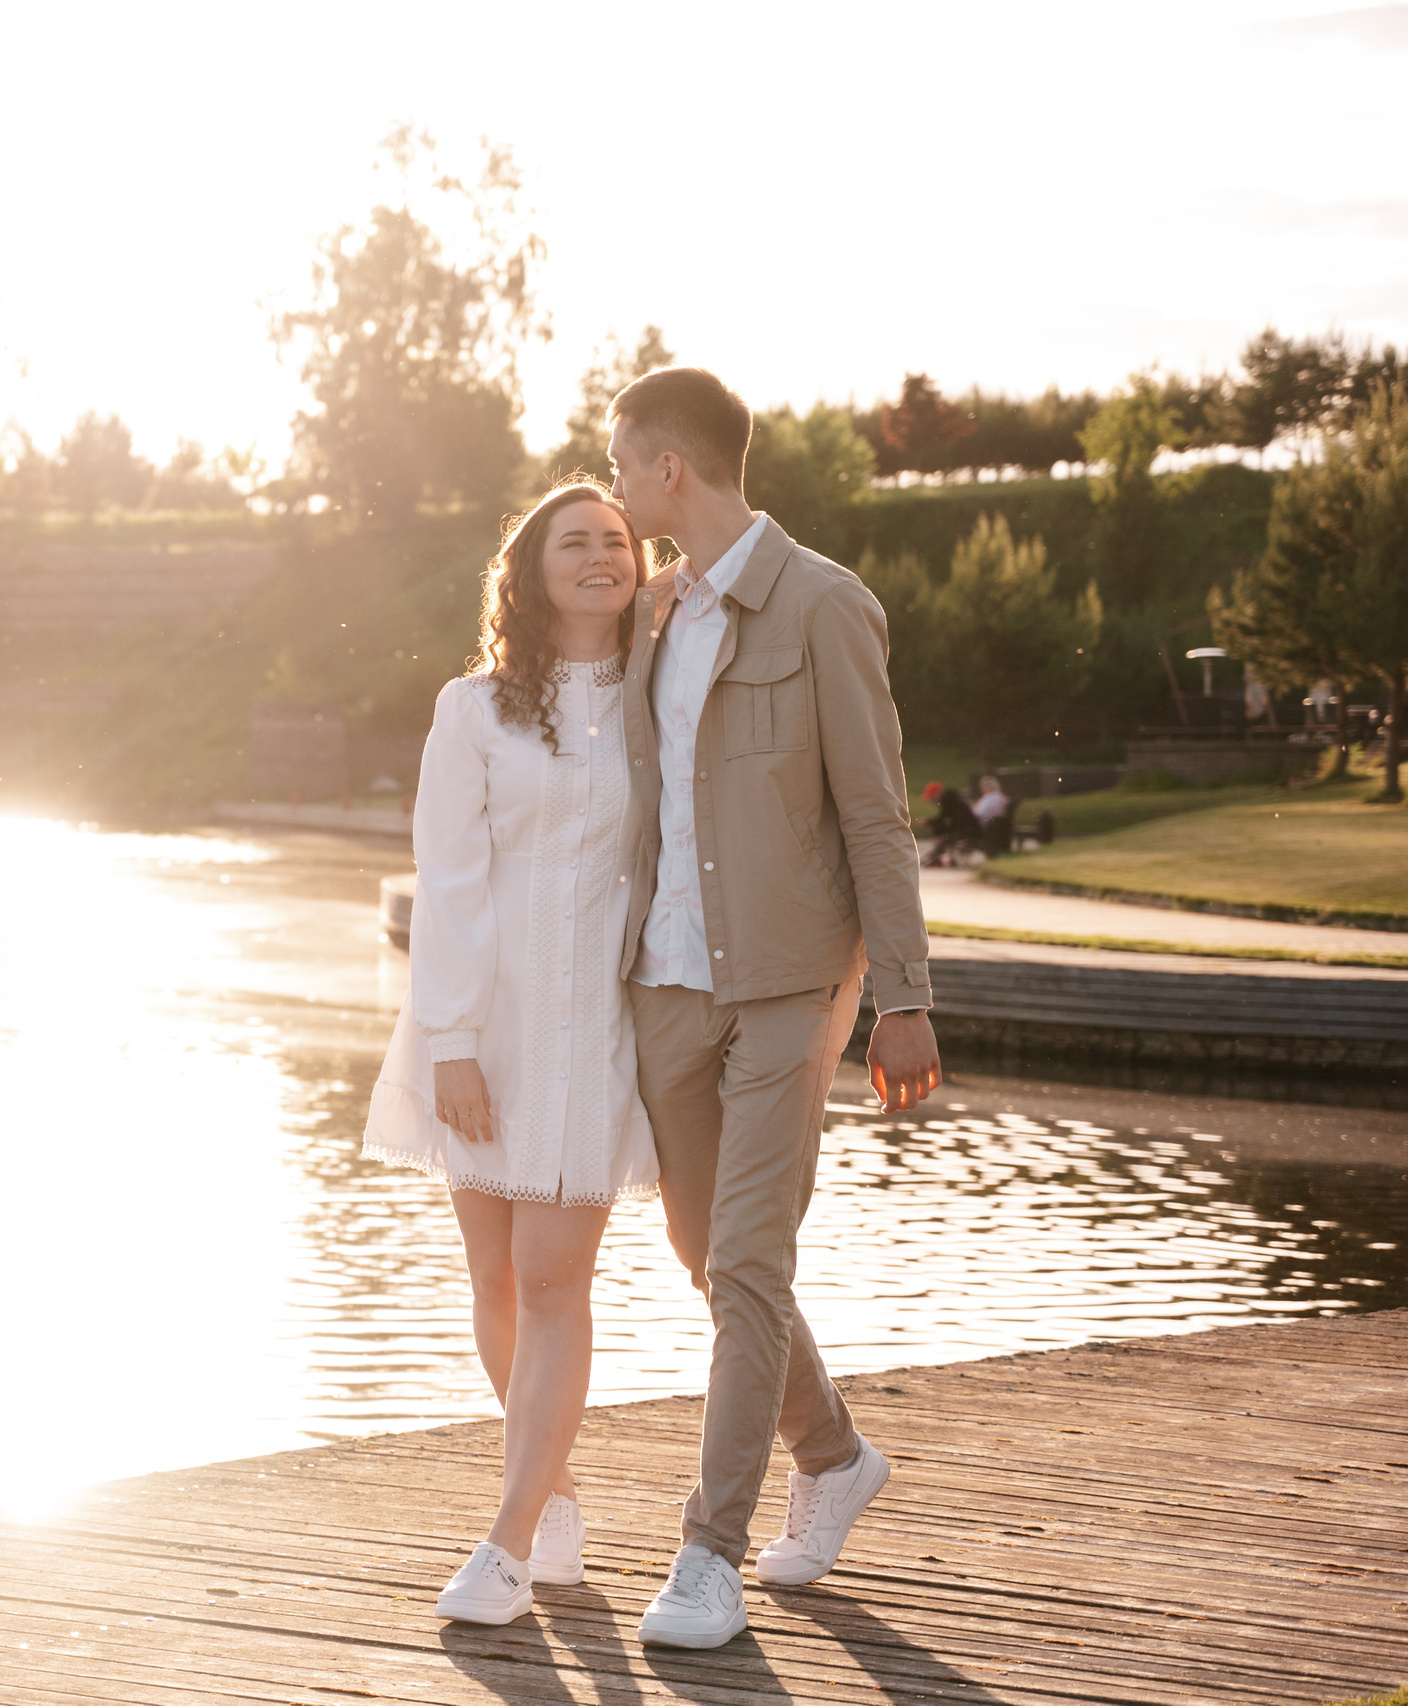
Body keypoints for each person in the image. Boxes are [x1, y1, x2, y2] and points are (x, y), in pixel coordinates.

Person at [603, 367, 942, 1650]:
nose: (619, 487)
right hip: (667, 986)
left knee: (747, 1258)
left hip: (790, 984)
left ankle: (708, 1552)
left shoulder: (823, 605)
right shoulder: (651, 616)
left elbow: (876, 814)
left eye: (624, 465)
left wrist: (901, 997)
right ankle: (835, 1452)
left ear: (667, 469)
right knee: (706, 1256)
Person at [362, 480, 659, 1626]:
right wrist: (449, 1039)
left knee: (550, 1278)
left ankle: (505, 1537)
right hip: (480, 1022)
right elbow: (449, 877)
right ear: (529, 570)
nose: (599, 556)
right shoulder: (472, 707)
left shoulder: (658, 692)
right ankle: (556, 1490)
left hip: (595, 1020)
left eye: (618, 540)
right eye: (574, 541)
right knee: (491, 1278)